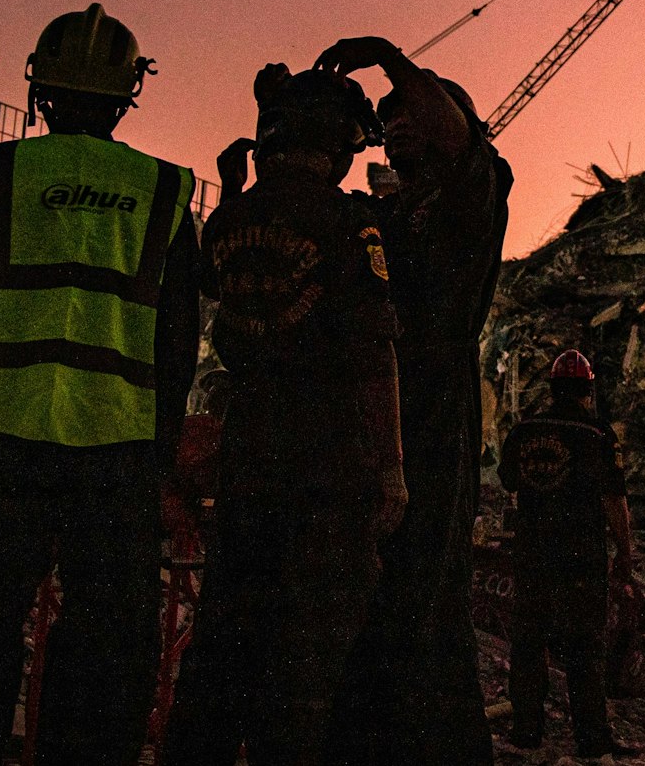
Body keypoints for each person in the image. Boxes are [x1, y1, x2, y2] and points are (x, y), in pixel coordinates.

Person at [0, 5, 199, 766]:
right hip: (115, 448)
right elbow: (178, 344)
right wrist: (165, 458)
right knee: (106, 639)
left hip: (7, 435)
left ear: (40, 91)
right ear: (124, 98)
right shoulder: (164, 190)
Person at [161, 66, 406, 766]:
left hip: (250, 449)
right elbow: (374, 352)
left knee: (227, 635)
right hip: (330, 457)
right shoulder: (349, 220)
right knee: (308, 660)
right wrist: (390, 469)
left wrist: (239, 188)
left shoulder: (228, 219)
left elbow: (220, 289)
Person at [312, 36, 512, 766]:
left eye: (414, 112)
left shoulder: (473, 195)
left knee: (425, 617)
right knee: (361, 616)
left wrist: (390, 57)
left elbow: (459, 139)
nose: (398, 123)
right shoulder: (379, 220)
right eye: (388, 117)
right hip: (367, 429)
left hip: (431, 433)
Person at [495, 349, 634, 759]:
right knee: (585, 648)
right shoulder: (598, 434)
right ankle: (591, 738)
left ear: (552, 388)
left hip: (533, 556)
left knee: (528, 644)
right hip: (581, 559)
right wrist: (625, 553)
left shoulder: (525, 430)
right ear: (588, 390)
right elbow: (614, 500)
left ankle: (526, 731)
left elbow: (508, 482)